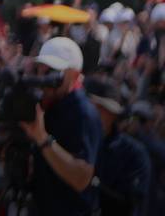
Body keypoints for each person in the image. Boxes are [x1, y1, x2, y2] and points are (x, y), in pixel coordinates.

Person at [20, 36, 101, 215]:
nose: (45, 77)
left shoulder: (83, 113)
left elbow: (82, 178)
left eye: (53, 70)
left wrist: (43, 139)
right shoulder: (46, 103)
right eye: (42, 69)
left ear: (74, 74)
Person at [85, 77, 151, 216]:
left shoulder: (133, 153)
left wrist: (92, 182)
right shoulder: (72, 141)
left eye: (102, 109)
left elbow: (132, 202)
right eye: (91, 106)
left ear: (113, 115)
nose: (93, 113)